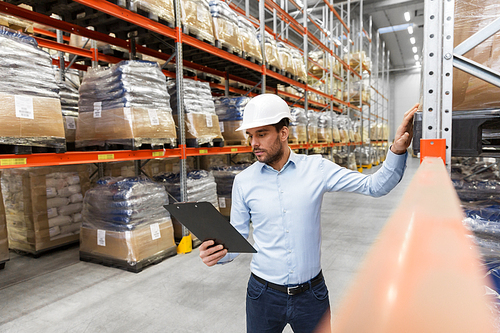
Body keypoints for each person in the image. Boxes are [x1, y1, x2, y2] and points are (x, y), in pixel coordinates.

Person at [199, 94, 418, 333]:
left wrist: (397, 150)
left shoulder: (317, 168)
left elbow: (375, 186)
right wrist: (218, 254)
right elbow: (237, 238)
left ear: (283, 133)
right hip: (262, 295)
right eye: (250, 135)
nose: (254, 143)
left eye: (262, 134)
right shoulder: (243, 182)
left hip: (311, 296)